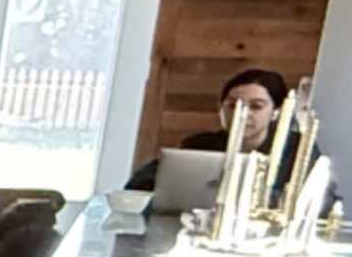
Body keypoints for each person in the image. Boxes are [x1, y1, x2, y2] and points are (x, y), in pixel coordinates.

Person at [127, 65, 296, 192]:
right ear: (221, 109)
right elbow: (140, 184)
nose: (242, 114)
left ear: (276, 112)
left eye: (256, 106)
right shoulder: (199, 145)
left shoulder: (294, 150)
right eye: (232, 105)